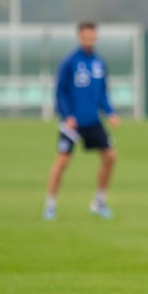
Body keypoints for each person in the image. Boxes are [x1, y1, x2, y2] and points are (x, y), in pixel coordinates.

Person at [44, 21, 119, 220]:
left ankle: (99, 202)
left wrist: (110, 112)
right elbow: (60, 92)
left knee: (110, 156)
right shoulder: (69, 62)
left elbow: (102, 93)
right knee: (62, 162)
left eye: (92, 36)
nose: (89, 40)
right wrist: (67, 115)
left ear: (96, 37)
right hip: (73, 122)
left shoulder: (99, 63)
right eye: (86, 36)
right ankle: (50, 204)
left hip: (93, 120)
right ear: (79, 37)